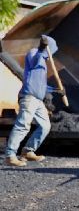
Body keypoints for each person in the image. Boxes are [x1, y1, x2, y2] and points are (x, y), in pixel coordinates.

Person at [4, 36, 64, 167]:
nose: (51, 56)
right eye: (51, 51)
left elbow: (41, 85)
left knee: (45, 126)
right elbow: (34, 60)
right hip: (29, 97)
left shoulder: (43, 62)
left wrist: (56, 90)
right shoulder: (34, 54)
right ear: (49, 49)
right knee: (23, 125)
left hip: (38, 100)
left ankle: (28, 151)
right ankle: (10, 155)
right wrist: (42, 49)